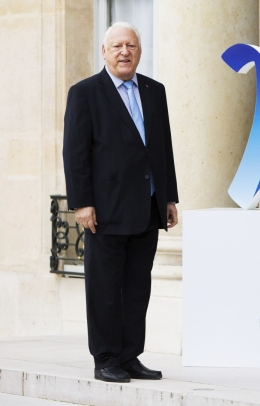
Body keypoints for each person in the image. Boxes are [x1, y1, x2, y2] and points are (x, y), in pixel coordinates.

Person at [63, 22, 179, 383]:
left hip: (147, 208)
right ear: (104, 51)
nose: (124, 52)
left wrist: (169, 196)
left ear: (140, 51)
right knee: (105, 288)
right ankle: (106, 358)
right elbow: (75, 152)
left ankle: (130, 356)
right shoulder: (85, 93)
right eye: (116, 46)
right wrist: (82, 203)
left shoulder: (154, 90)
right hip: (106, 210)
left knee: (137, 287)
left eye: (130, 45)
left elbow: (163, 148)